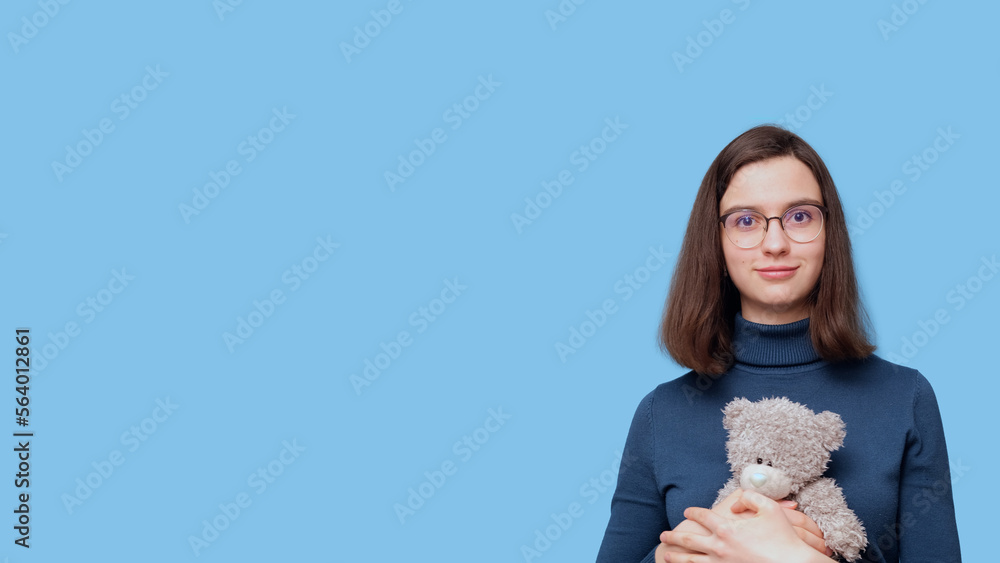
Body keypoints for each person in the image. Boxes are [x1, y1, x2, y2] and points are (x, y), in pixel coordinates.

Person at [595, 125, 961, 563]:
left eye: (800, 216)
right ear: (716, 243)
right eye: (746, 221)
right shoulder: (662, 413)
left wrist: (797, 558)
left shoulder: (905, 398)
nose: (775, 243)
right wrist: (687, 550)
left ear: (830, 233)